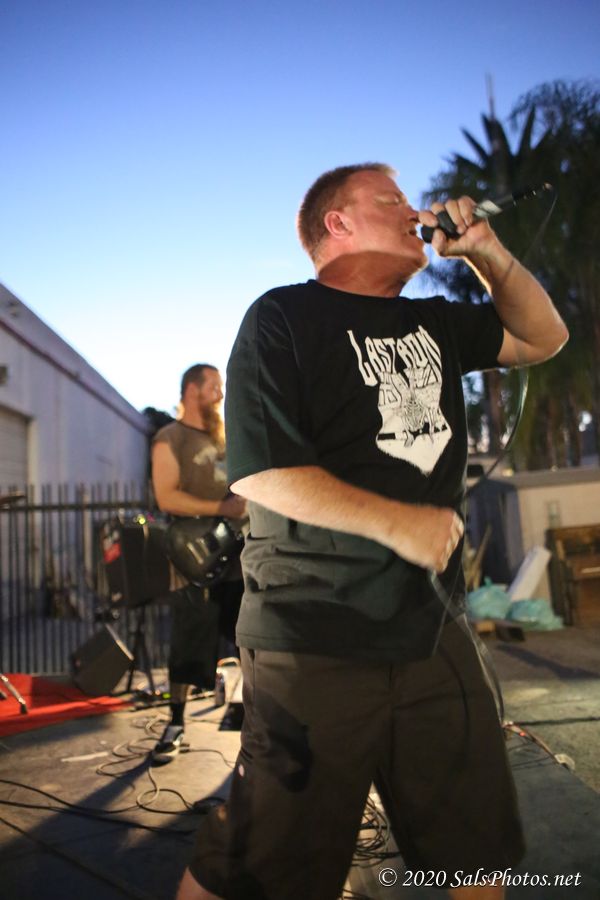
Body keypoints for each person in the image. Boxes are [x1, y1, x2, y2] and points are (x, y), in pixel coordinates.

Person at [176, 165, 568, 898]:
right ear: (338, 224)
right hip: (311, 631)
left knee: (475, 847)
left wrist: (486, 252)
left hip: (432, 627)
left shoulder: (436, 323)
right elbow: (261, 472)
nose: (414, 211)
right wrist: (398, 522)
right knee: (262, 863)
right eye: (391, 200)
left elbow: (542, 336)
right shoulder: (282, 316)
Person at [151, 363, 246, 763]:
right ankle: (175, 724)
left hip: (237, 557)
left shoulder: (225, 437)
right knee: (189, 642)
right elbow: (166, 497)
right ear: (192, 390)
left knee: (248, 638)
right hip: (195, 557)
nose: (221, 394)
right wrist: (222, 508)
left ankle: (254, 722)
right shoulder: (169, 438)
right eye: (214, 387)